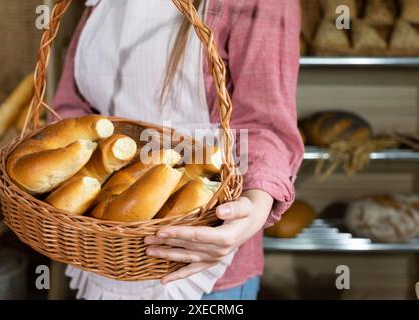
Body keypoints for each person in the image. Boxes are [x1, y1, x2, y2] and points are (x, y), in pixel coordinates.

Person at [53, 0, 303, 300]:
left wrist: (253, 209)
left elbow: (266, 125)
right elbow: (73, 110)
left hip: (202, 254)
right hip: (104, 246)